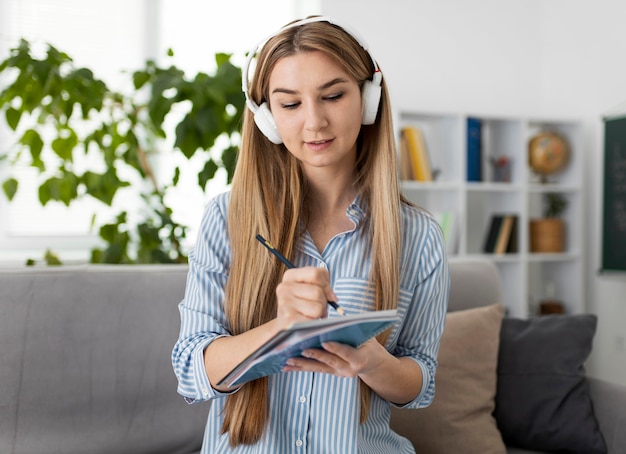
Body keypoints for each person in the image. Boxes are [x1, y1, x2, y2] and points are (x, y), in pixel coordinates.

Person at [171, 16, 449, 453]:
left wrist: (370, 360)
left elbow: (421, 385)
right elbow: (192, 370)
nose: (314, 122)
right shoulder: (227, 218)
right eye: (290, 104)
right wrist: (282, 330)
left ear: (368, 98)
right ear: (266, 119)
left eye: (333, 96)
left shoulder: (418, 236)